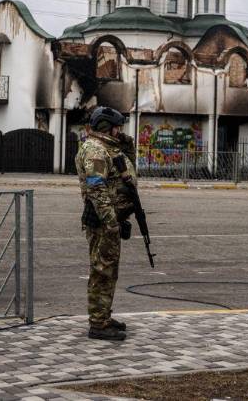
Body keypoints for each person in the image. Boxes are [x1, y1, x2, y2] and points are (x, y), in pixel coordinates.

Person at [75, 106, 137, 340]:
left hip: (111, 221)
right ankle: (98, 324)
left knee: (109, 270)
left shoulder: (108, 147)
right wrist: (111, 222)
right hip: (103, 221)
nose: (119, 131)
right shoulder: (95, 150)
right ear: (105, 127)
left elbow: (127, 171)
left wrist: (127, 144)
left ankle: (103, 315)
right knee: (102, 271)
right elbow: (96, 188)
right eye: (116, 127)